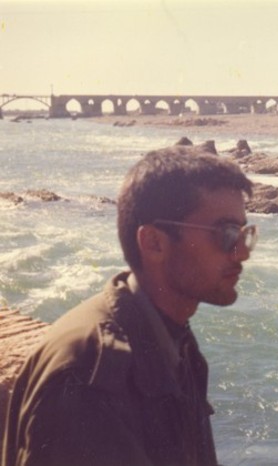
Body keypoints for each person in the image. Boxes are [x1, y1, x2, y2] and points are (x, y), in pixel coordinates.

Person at [2, 140, 257, 466]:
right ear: (153, 243)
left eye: (245, 234)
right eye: (226, 234)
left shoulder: (170, 337)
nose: (243, 252)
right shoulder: (90, 374)